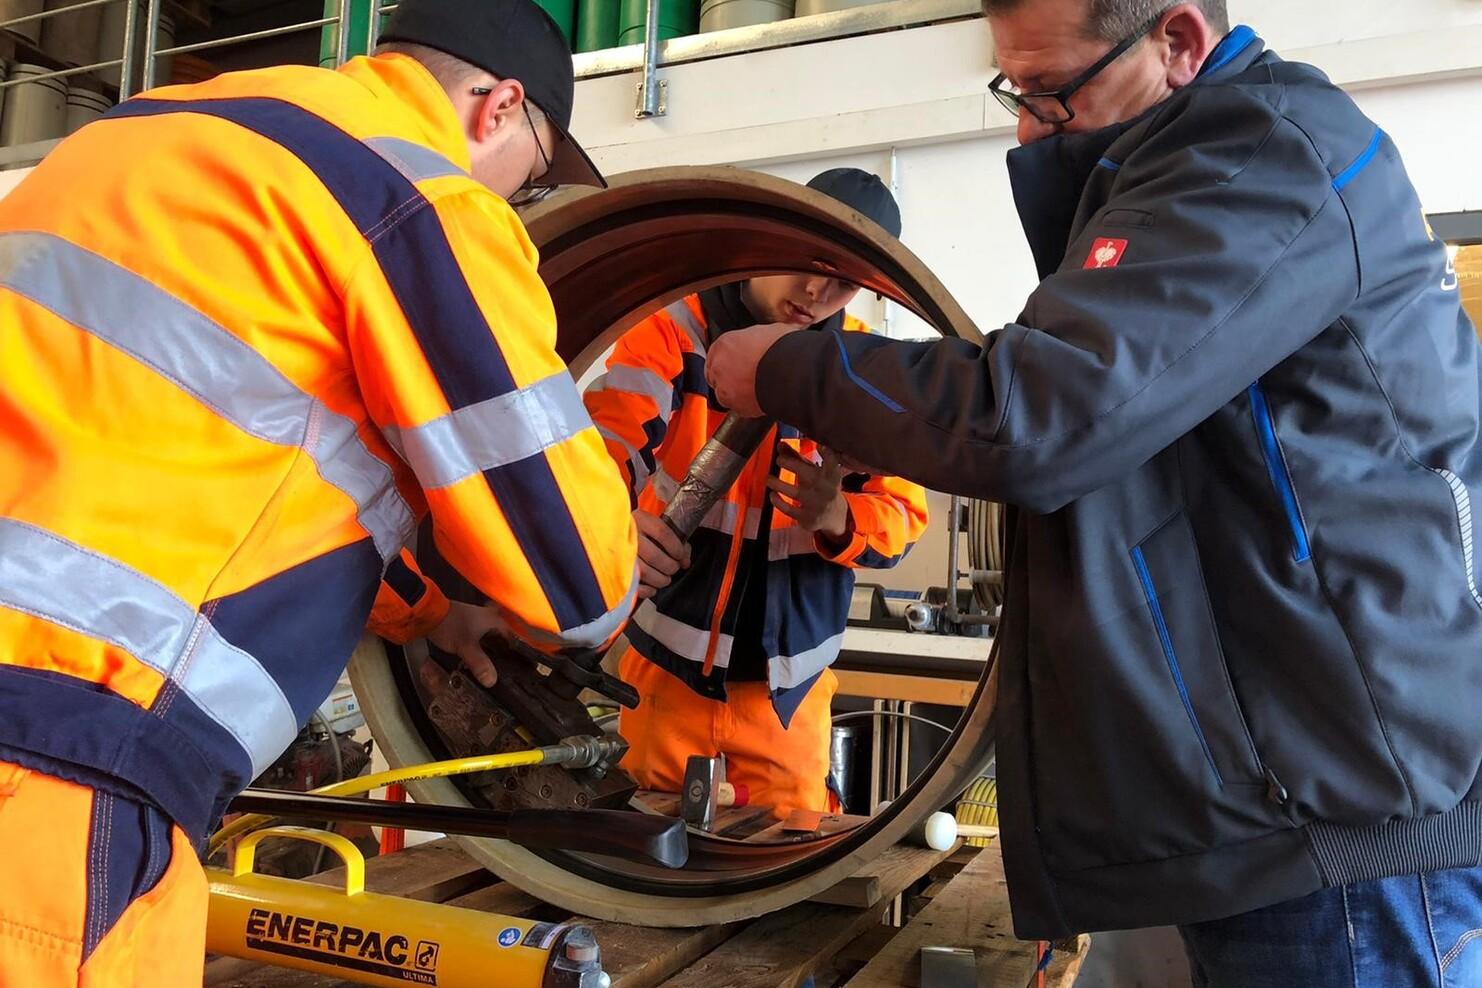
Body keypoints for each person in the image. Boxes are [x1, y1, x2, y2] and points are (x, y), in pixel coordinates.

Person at [705, 1, 1482, 984]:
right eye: (1014, 93)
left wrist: (786, 370)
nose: (1030, 128)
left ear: (1180, 42)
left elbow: (1037, 417)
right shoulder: (1184, 170)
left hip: (1342, 838)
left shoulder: (1258, 155)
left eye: (1051, 94)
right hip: (1271, 816)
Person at [0, 0, 638, 983]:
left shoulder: (138, 135)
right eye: (537, 172)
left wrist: (428, 612)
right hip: (60, 761)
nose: (522, 201)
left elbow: (215, 453)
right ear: (497, 108)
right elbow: (578, 577)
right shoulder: (414, 192)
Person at [584, 169, 929, 820]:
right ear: (770, 239)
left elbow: (905, 515)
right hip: (663, 686)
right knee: (643, 874)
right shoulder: (674, 333)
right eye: (807, 262)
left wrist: (838, 517)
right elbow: (600, 448)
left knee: (782, 885)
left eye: (845, 281)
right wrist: (616, 526)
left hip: (784, 705)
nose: (815, 292)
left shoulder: (864, 371)